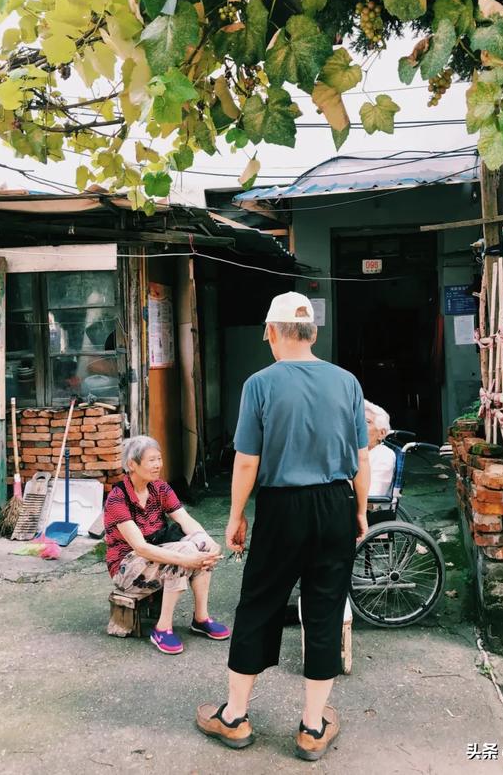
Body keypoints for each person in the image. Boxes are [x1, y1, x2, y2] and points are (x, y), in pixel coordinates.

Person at [196, 291, 371, 761]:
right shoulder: (347, 382)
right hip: (335, 504)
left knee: (259, 603)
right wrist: (359, 511)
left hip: (280, 508)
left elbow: (247, 461)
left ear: (272, 332)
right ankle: (313, 728)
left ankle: (233, 717)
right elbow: (360, 457)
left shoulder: (259, 384)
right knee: (325, 608)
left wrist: (235, 516)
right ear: (311, 332)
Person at [103, 435, 230, 654]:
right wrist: (186, 558)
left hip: (155, 554)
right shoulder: (118, 498)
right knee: (184, 552)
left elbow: (185, 519)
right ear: (132, 464)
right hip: (126, 567)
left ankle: (201, 618)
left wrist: (209, 542)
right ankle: (162, 629)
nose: (158, 465)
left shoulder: (159, 488)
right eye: (151, 460)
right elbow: (140, 547)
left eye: (159, 459)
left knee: (200, 546)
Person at [364, 399, 396, 497]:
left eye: (367, 422)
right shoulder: (356, 452)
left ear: (381, 433)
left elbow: (373, 498)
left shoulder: (384, 455)